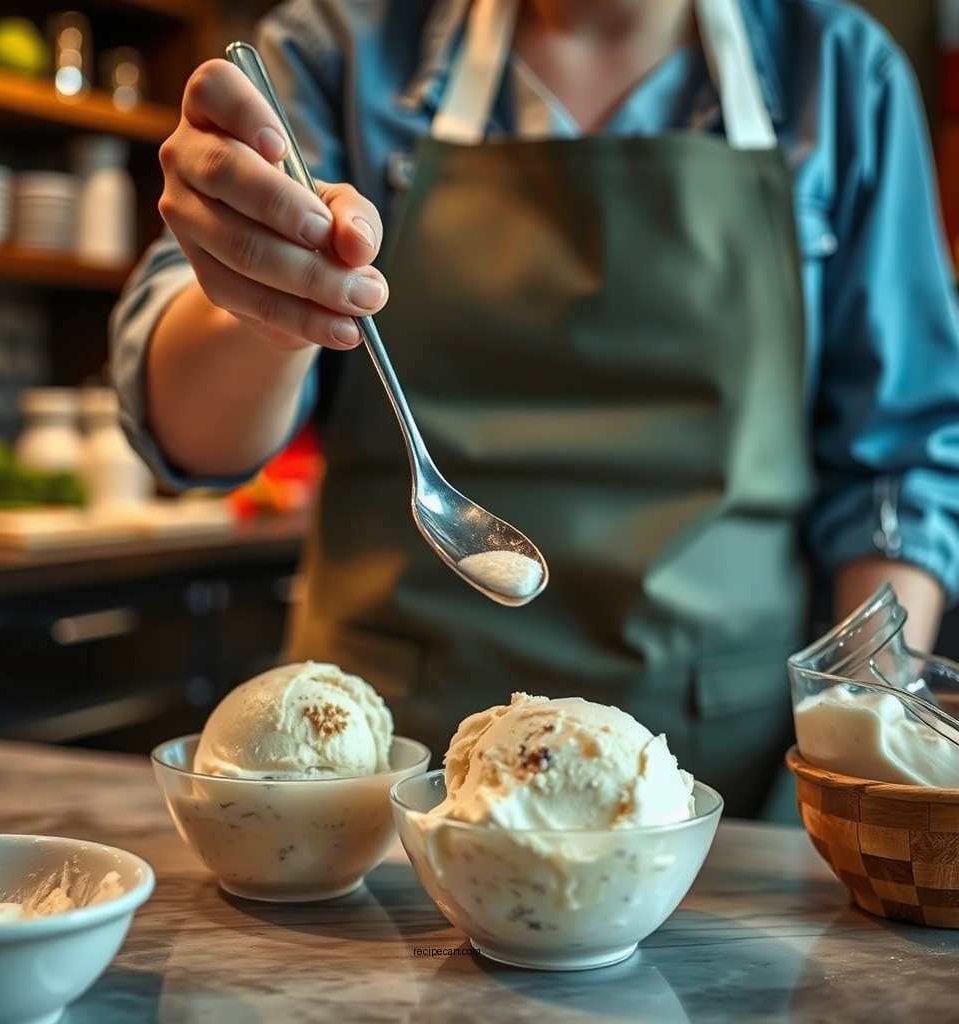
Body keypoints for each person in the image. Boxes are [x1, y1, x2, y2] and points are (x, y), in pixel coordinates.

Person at [111, 0, 959, 818]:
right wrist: (268, 303)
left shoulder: (842, 76)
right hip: (377, 787)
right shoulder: (336, 49)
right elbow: (190, 438)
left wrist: (859, 742)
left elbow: (902, 460)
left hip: (722, 788)